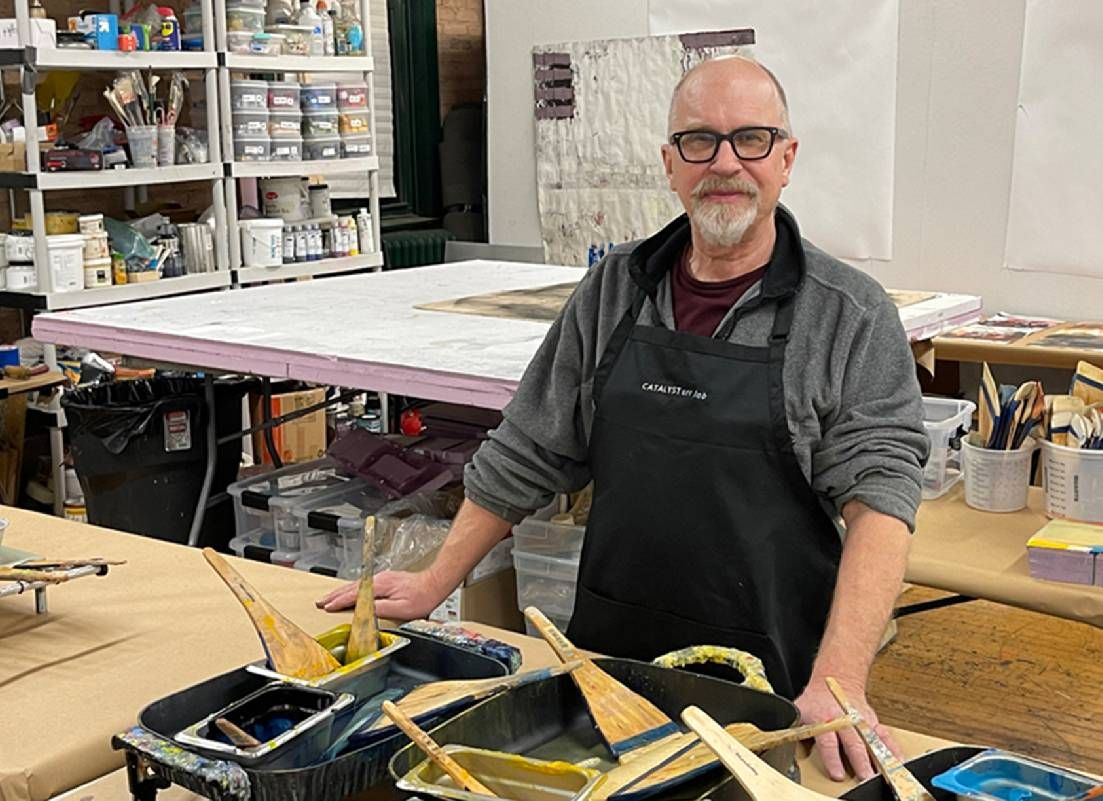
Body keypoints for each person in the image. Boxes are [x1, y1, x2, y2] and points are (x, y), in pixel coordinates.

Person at [318, 55, 928, 781]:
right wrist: (433, 579)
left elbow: (882, 500)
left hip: (775, 682)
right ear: (670, 164)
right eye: (699, 141)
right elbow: (528, 448)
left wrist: (837, 678)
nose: (725, 163)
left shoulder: (849, 315)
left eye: (751, 140)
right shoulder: (613, 289)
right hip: (611, 660)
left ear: (786, 159)